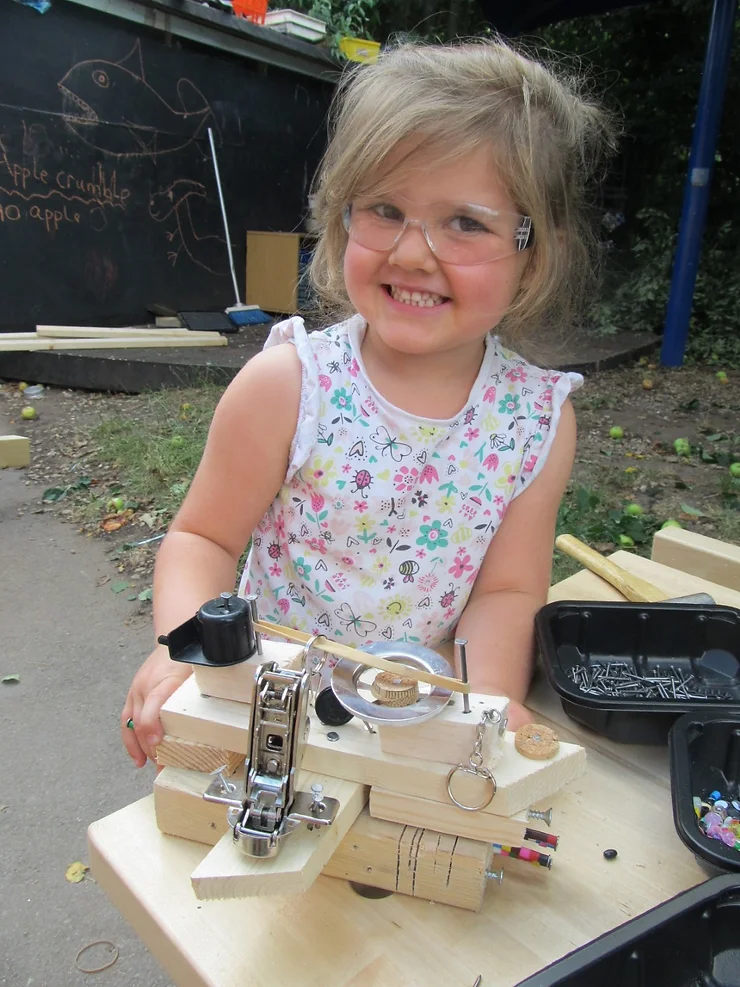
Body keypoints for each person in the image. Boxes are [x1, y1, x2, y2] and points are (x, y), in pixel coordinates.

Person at [122, 37, 616, 767]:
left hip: (416, 725)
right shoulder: (289, 385)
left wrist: (481, 702)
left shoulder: (537, 419)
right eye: (385, 209)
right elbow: (203, 541)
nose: (414, 253)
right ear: (340, 215)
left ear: (532, 254)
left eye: (466, 223)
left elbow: (509, 590)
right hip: (266, 713)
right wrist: (183, 649)